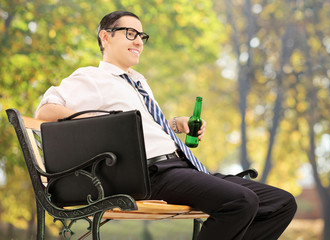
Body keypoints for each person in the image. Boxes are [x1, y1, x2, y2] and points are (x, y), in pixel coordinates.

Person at [36, 11, 297, 240]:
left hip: (184, 165)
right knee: (240, 202)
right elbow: (45, 110)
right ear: (105, 37)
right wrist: (98, 123)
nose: (139, 41)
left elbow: (144, 127)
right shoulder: (91, 76)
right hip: (151, 173)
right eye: (130, 33)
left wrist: (175, 123)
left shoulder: (138, 81)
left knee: (281, 203)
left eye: (141, 36)